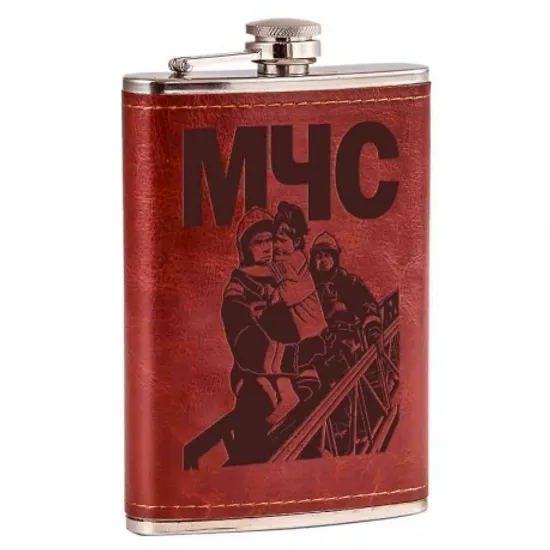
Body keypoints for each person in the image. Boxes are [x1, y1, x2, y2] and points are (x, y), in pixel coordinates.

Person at [221, 207, 316, 463]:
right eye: (259, 242)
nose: (267, 247)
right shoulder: (236, 290)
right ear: (245, 248)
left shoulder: (275, 281)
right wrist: (295, 357)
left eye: (270, 240)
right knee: (252, 431)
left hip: (290, 372)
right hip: (254, 378)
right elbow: (244, 341)